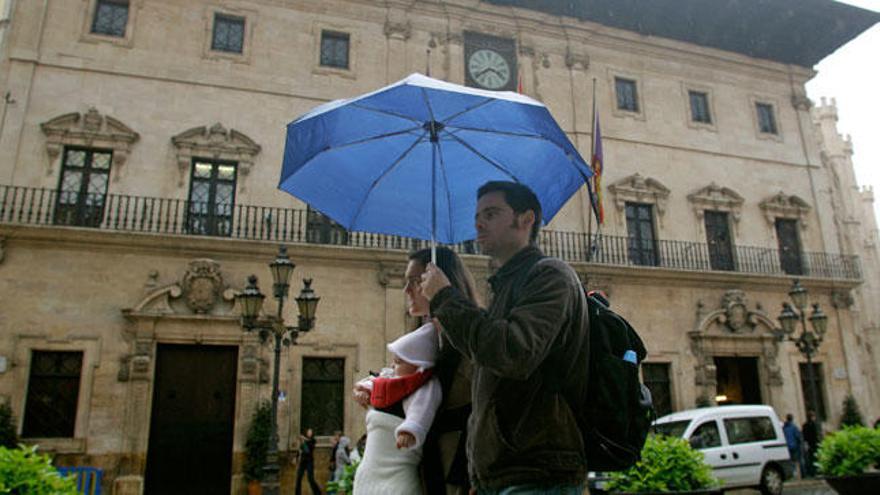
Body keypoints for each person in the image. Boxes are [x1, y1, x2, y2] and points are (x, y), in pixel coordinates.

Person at [421, 181, 590, 494]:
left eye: (491, 213)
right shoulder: (504, 285)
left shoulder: (550, 276)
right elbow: (489, 370)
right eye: (477, 215)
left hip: (538, 473)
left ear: (526, 220)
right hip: (503, 476)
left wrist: (445, 297)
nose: (478, 223)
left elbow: (513, 352)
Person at [351, 323, 442, 494]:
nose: (393, 366)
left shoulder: (424, 387)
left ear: (418, 365)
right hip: (369, 473)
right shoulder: (391, 379)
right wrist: (361, 391)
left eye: (399, 362)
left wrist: (410, 430)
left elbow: (421, 411)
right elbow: (373, 382)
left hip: (397, 475)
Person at [295, 428, 322, 495]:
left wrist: (304, 440)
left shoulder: (313, 441)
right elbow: (300, 450)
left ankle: (317, 493)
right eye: (308, 432)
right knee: (299, 477)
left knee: (310, 479)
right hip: (303, 461)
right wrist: (296, 457)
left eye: (310, 432)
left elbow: (307, 450)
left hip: (309, 461)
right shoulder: (304, 441)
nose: (309, 433)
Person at [783, 413, 804, 478]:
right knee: (797, 460)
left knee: (790, 460)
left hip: (787, 446)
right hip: (794, 446)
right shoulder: (794, 427)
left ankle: (792, 473)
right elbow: (798, 436)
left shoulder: (784, 428)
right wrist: (801, 443)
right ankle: (799, 473)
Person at [802, 411, 821, 478]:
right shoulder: (814, 424)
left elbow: (804, 436)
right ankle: (816, 471)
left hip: (809, 444)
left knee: (811, 458)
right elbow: (817, 434)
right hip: (814, 443)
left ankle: (812, 472)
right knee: (815, 458)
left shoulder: (805, 425)